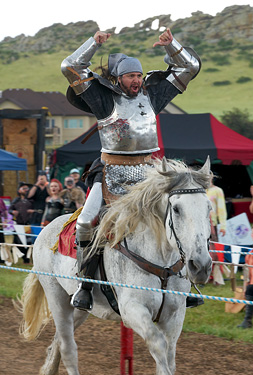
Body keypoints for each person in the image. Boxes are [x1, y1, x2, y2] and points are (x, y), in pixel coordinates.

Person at [61, 27, 201, 311]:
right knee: (88, 221)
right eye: (130, 76)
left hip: (150, 172)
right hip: (111, 173)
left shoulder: (153, 96)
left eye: (138, 76)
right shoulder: (101, 99)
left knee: (176, 213)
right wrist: (94, 43)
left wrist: (171, 45)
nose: (136, 80)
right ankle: (85, 284)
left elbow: (191, 66)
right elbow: (70, 67)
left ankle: (184, 280)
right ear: (119, 78)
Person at [9, 182, 34, 263]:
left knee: (29, 242)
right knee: (18, 241)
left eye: (27, 189)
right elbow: (10, 209)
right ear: (19, 190)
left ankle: (28, 259)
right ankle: (24, 258)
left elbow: (37, 209)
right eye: (24, 188)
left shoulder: (31, 200)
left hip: (29, 224)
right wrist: (13, 211)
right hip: (19, 224)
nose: (26, 190)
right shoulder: (16, 200)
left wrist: (32, 211)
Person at [206, 173, 227, 241]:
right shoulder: (198, 191)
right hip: (199, 224)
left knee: (213, 247)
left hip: (212, 224)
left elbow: (221, 209)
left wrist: (222, 226)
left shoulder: (217, 190)